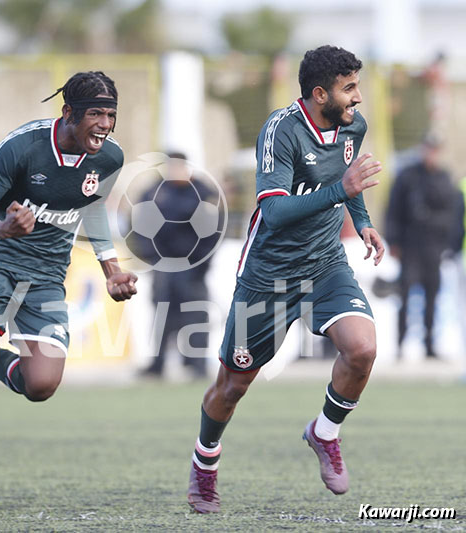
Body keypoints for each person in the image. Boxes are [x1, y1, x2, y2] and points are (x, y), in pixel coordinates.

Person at [0, 71, 138, 509]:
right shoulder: (24, 147)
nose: (104, 123)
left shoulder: (109, 158)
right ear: (69, 114)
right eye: (95, 113)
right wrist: (0, 228)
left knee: (40, 384)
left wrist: (111, 267)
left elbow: (91, 208)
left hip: (46, 276)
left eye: (110, 114)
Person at [186, 46, 385, 513]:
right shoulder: (281, 131)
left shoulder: (353, 125)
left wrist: (362, 220)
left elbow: (347, 181)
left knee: (363, 349)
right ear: (320, 94)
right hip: (269, 276)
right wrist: (344, 191)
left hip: (324, 264)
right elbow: (273, 210)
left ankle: (324, 432)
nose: (358, 98)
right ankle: (205, 464)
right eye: (349, 88)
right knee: (233, 387)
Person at [138, 152, 214, 379]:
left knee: (195, 315)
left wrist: (202, 263)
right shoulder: (154, 192)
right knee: (162, 314)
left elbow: (212, 231)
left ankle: (196, 364)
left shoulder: (203, 193)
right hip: (163, 264)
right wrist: (151, 256)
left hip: (193, 266)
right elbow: (141, 225)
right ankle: (157, 364)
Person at [385, 133, 458, 358]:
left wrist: (448, 244)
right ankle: (400, 344)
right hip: (410, 246)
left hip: (433, 247)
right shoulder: (407, 177)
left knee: (432, 297)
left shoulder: (444, 179)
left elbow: (452, 214)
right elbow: (393, 211)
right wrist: (393, 241)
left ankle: (429, 345)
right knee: (405, 296)